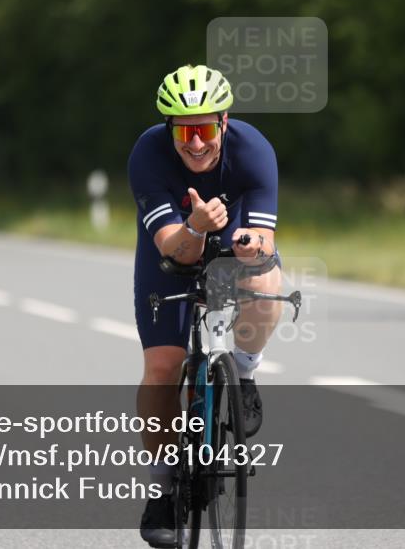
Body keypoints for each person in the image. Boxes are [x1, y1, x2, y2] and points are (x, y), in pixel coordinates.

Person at [128, 64, 281, 547]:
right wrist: (195, 225)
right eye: (184, 131)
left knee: (269, 280)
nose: (195, 144)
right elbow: (174, 248)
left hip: (233, 245)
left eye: (205, 129)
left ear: (224, 122)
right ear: (169, 129)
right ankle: (162, 488)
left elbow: (265, 240)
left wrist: (250, 247)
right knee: (162, 367)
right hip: (171, 253)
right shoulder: (148, 155)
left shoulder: (252, 149)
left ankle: (245, 371)